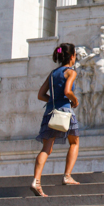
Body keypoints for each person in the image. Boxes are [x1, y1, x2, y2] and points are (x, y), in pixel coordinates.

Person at [31, 43, 81, 197]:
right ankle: (67, 176)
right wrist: (75, 100)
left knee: (46, 148)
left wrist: (53, 100)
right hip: (65, 112)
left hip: (50, 112)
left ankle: (36, 180)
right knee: (74, 142)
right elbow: (67, 91)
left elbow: (40, 94)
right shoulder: (70, 72)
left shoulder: (53, 73)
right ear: (72, 56)